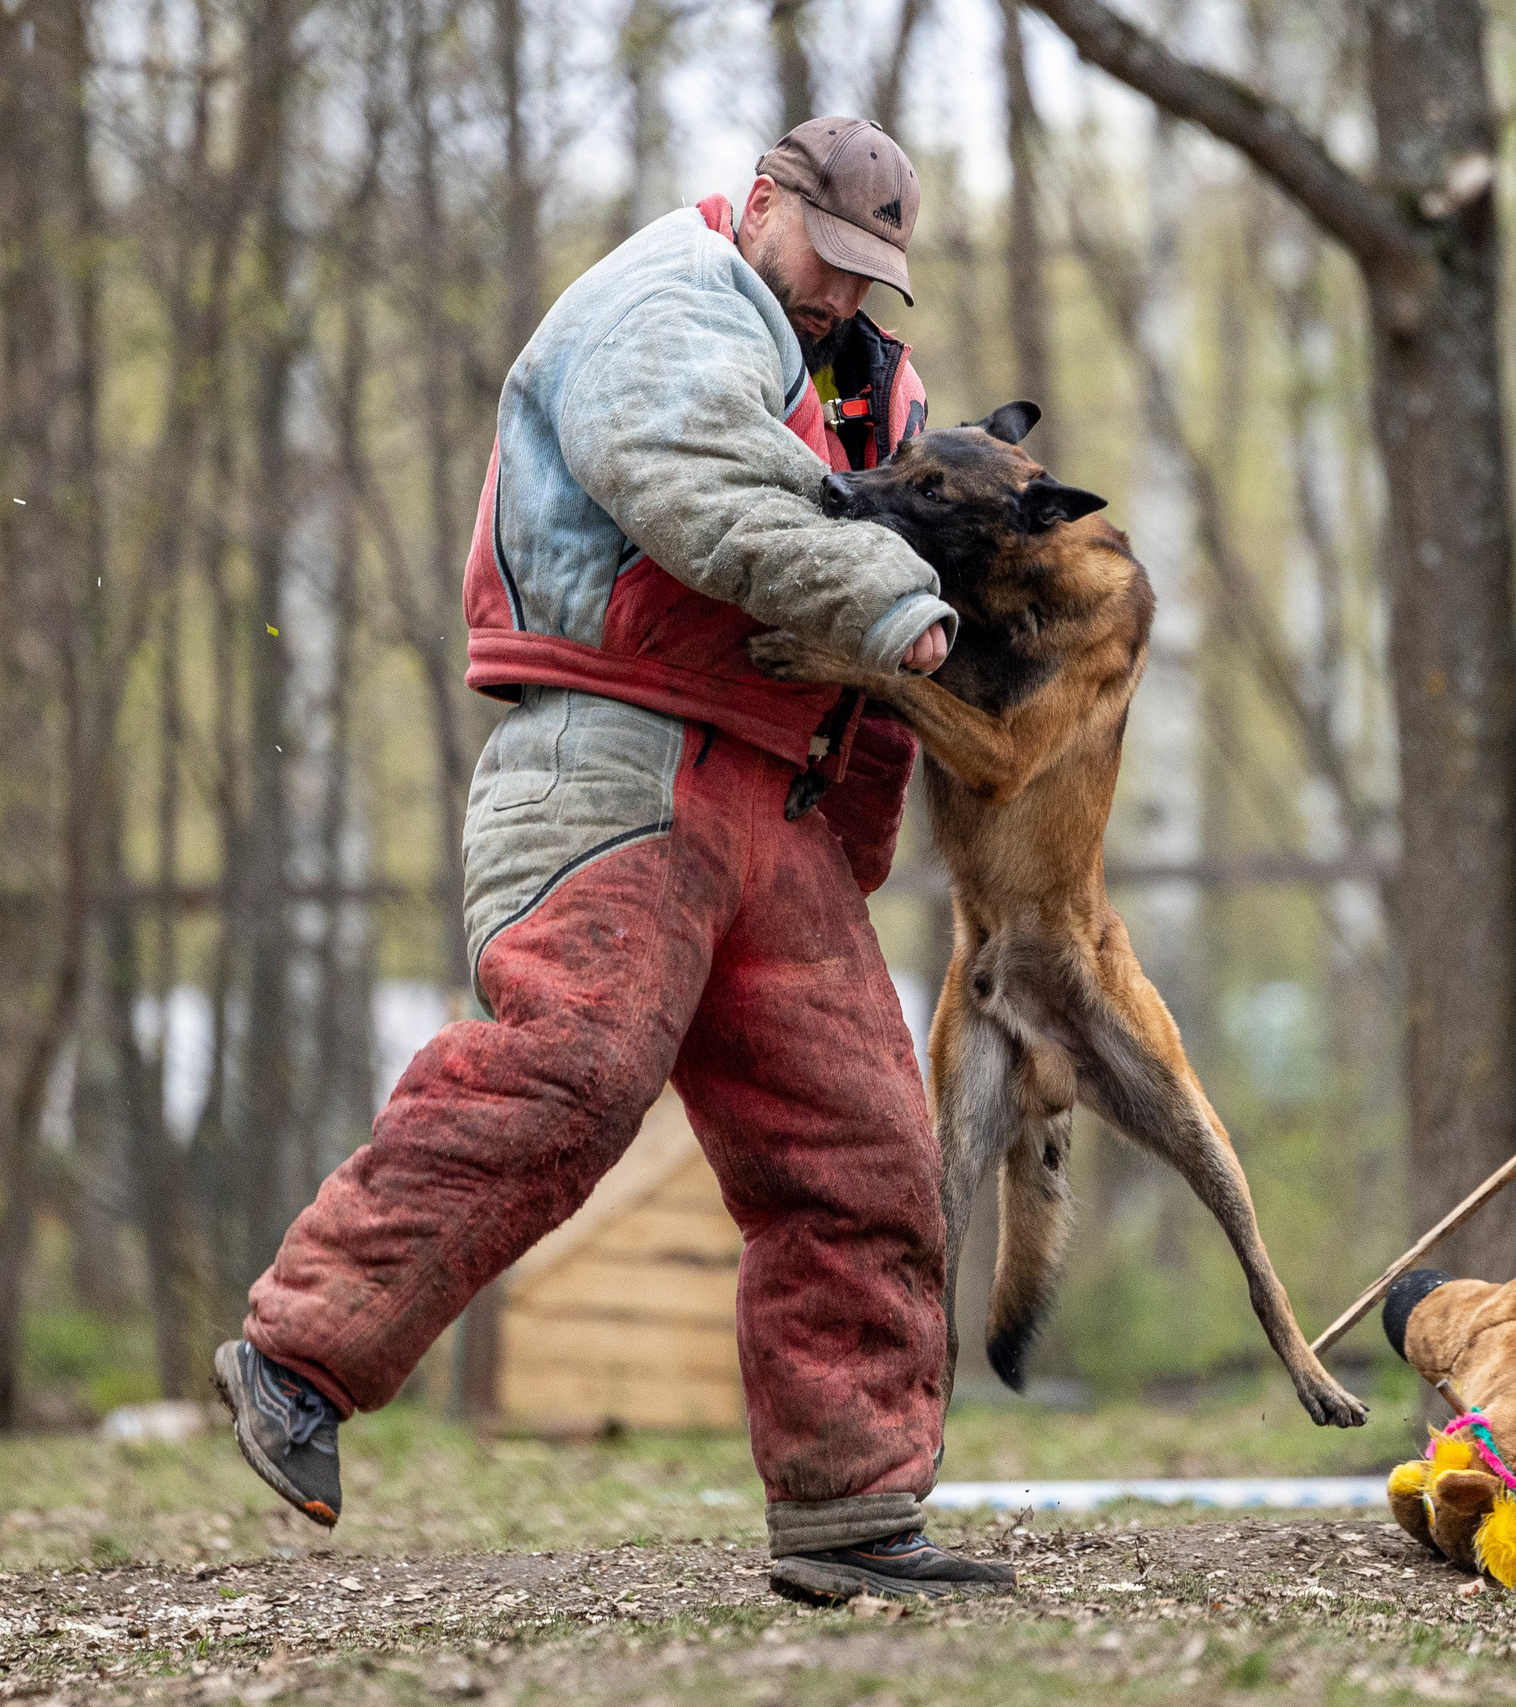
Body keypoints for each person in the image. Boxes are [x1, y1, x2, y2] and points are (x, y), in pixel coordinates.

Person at [211, 118, 1013, 1606]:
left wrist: (860, 819)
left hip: (775, 798)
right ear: (761, 203)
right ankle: (297, 1357)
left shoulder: (869, 383)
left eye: (870, 275)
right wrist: (892, 599)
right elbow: (702, 483)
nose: (842, 294)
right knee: (570, 1072)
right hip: (612, 756)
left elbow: (875, 628)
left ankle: (853, 1509)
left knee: (863, 1149)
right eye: (828, 256)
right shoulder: (668, 298)